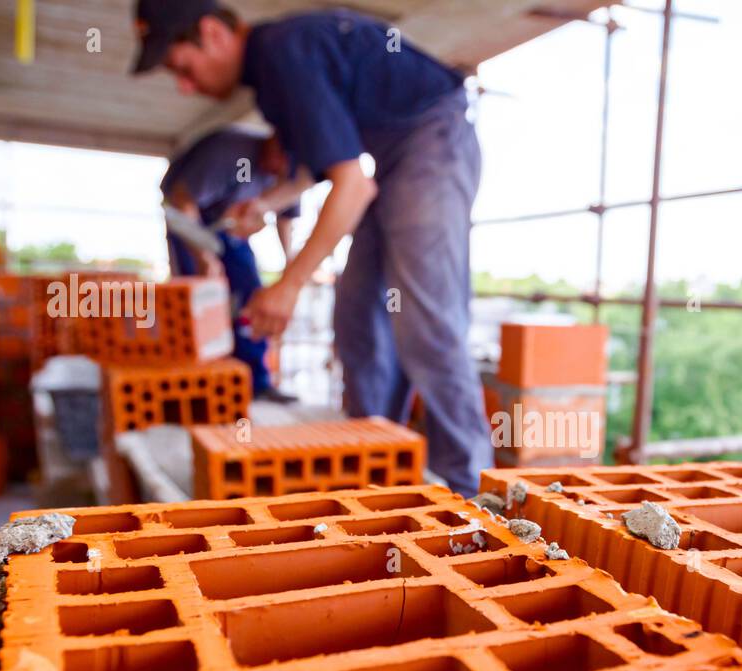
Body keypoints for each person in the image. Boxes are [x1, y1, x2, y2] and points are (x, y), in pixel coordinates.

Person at [131, 0, 493, 496]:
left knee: (425, 317)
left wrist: (289, 284)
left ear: (212, 34)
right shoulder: (272, 77)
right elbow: (320, 169)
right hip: (386, 162)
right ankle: (378, 461)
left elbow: (351, 187)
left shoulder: (284, 51)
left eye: (182, 68)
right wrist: (266, 204)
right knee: (357, 317)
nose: (184, 86)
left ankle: (469, 490)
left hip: (433, 137)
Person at [161, 128, 299, 403]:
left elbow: (286, 217)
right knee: (198, 300)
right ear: (272, 139)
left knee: (250, 297)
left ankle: (255, 382)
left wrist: (290, 268)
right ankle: (199, 385)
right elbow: (181, 201)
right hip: (192, 224)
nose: (281, 165)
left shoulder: (293, 173)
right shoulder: (228, 151)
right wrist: (203, 258)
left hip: (232, 234)